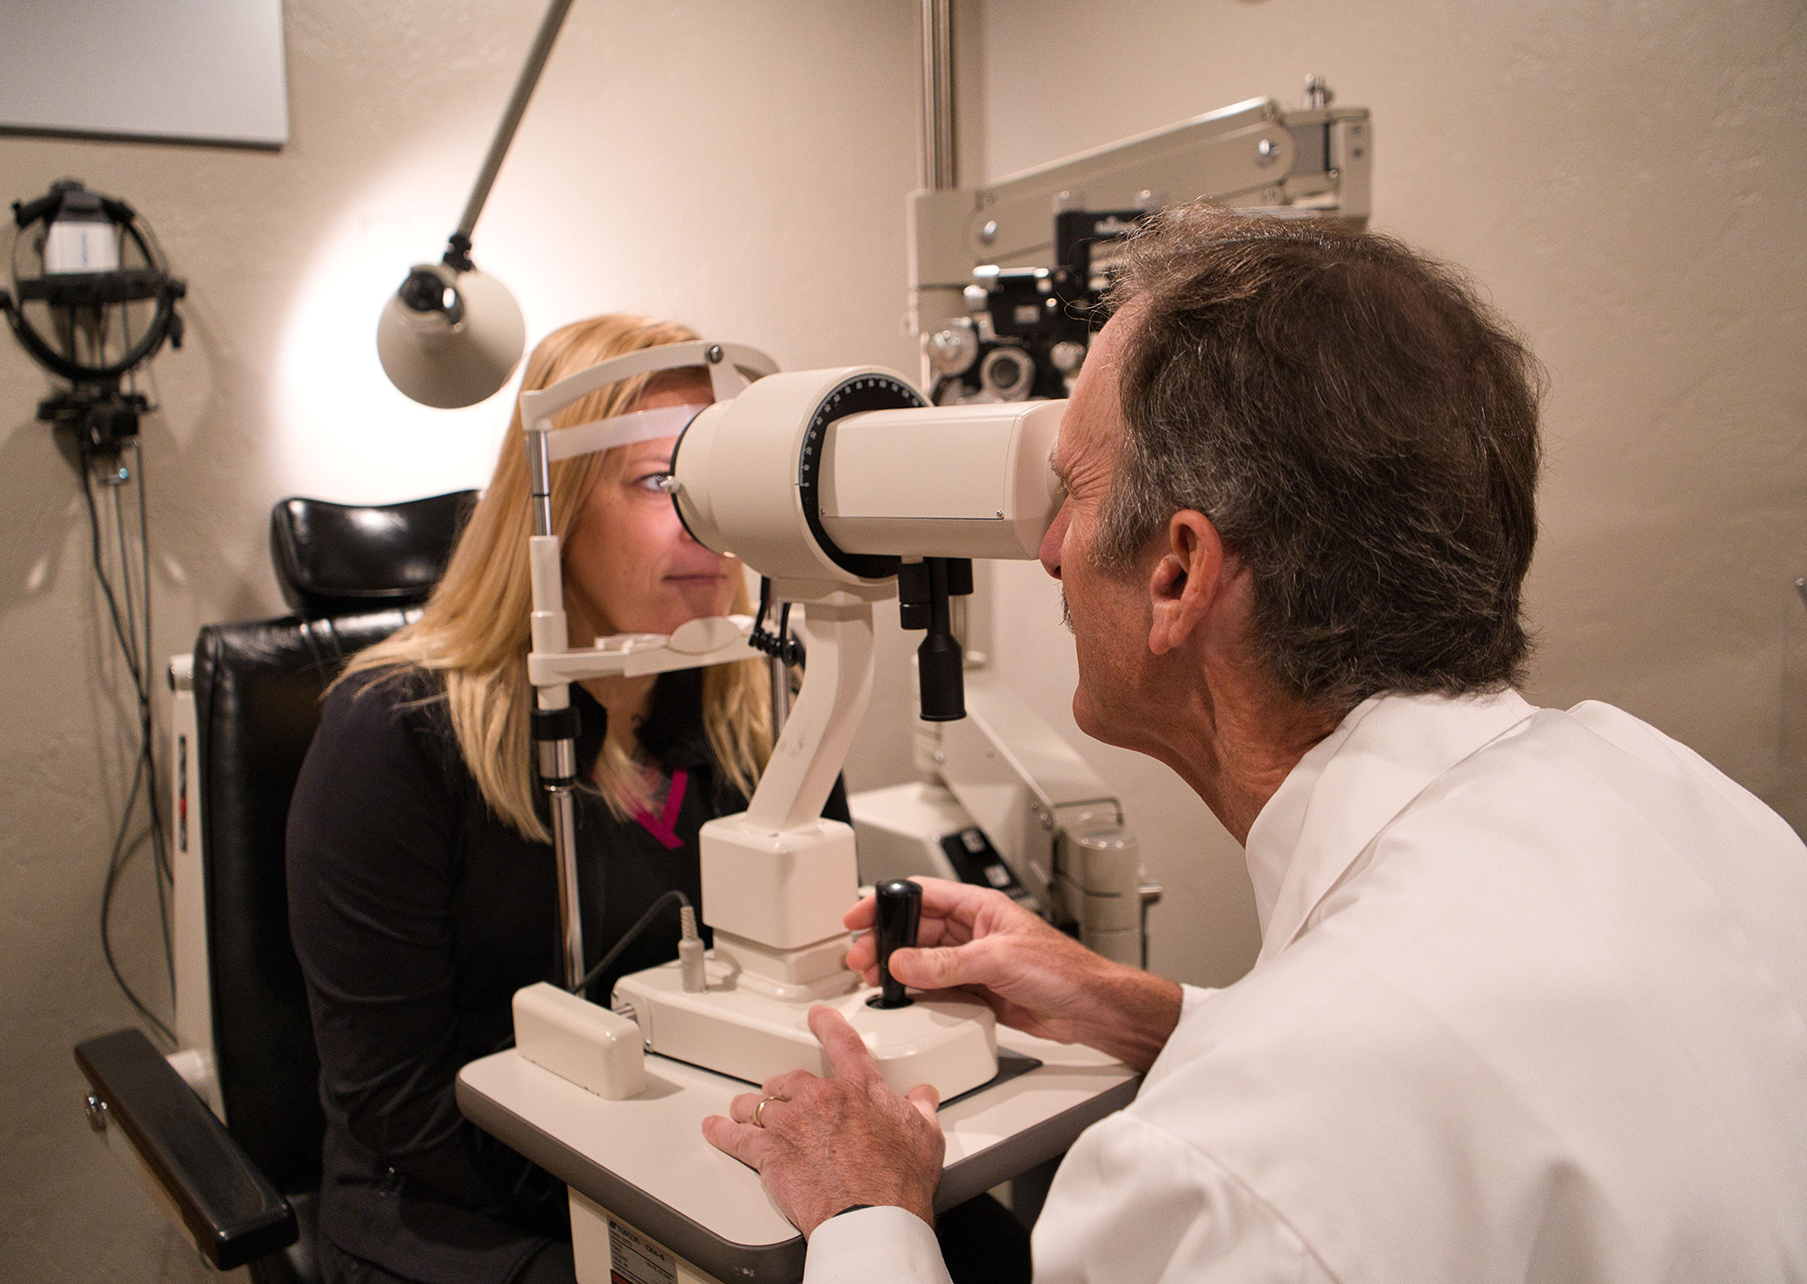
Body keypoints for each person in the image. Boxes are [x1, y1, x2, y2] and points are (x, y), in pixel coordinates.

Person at [703, 206, 1807, 1282]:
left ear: (1178, 574)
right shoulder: (1665, 787)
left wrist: (866, 1217)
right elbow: (1492, 1070)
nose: (1048, 551)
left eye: (1073, 493)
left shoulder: (1217, 1176)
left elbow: (1327, 1108)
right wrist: (1148, 1012)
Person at [286, 314, 792, 1284]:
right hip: (454, 1210)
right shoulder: (395, 734)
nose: (707, 526)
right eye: (660, 482)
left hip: (702, 1170)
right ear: (551, 511)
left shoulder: (755, 708)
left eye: (719, 483)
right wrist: (656, 1189)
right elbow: (393, 1099)